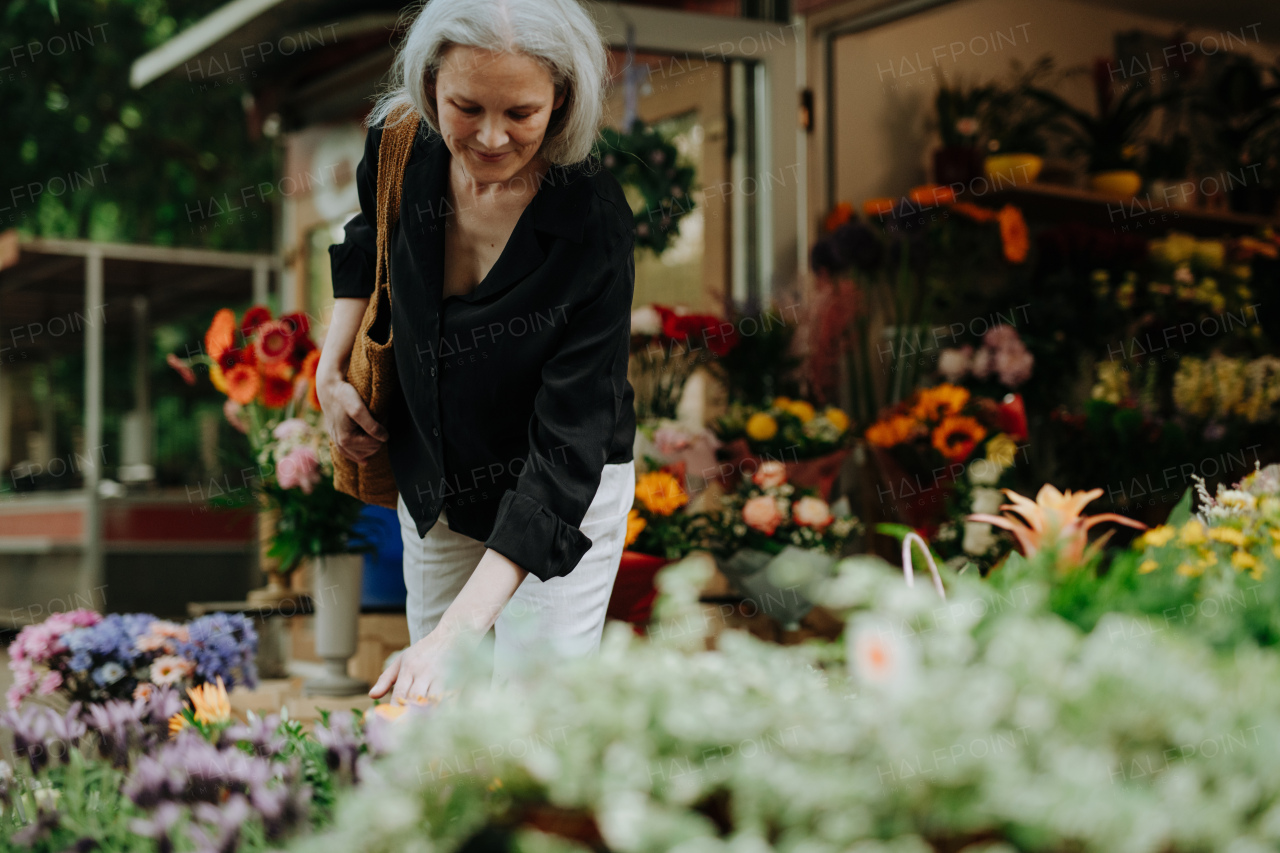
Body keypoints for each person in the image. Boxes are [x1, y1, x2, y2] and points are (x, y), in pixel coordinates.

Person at [316, 0, 637, 704]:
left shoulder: (592, 221)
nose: (490, 138)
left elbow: (567, 445)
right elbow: (367, 234)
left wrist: (461, 625)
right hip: (438, 475)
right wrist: (330, 367)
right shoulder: (403, 143)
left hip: (557, 484)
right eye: (466, 107)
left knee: (533, 714)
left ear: (562, 100)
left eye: (520, 113)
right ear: (430, 84)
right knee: (434, 709)